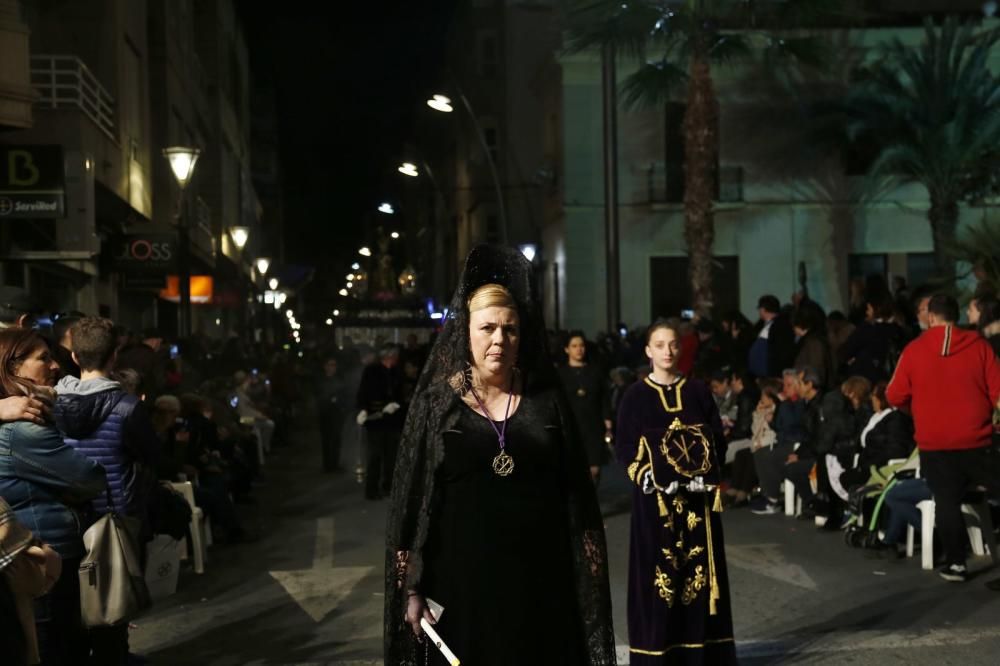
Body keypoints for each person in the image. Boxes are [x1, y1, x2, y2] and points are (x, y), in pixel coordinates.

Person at [384, 245, 615, 665]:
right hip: (461, 585)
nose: (499, 340)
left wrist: (589, 574)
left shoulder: (547, 402)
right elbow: (413, 501)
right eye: (487, 328)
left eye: (509, 329)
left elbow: (576, 496)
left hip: (543, 582)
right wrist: (411, 589)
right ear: (465, 334)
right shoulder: (439, 405)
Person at [616, 319, 735, 664]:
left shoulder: (698, 391)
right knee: (660, 580)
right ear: (648, 350)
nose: (668, 351)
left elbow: (716, 439)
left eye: (673, 345)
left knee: (699, 581)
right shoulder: (635, 396)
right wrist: (646, 475)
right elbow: (624, 447)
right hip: (657, 508)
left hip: (698, 505)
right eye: (660, 344)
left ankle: (705, 657)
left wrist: (709, 469)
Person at [52, 317, 161, 662]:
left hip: (68, 512)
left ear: (74, 356)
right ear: (115, 356)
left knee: (74, 596)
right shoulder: (128, 407)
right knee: (113, 596)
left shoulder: (51, 403)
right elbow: (154, 455)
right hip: (115, 513)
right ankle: (115, 656)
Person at [0, 328, 106, 664]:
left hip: (35, 550)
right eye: (43, 358)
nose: (55, 365)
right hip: (42, 555)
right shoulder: (23, 429)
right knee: (55, 648)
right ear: (14, 368)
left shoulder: (30, 416)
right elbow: (90, 478)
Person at [886, 294, 1000, 583]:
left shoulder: (914, 350)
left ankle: (957, 563)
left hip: (935, 442)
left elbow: (894, 395)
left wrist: (917, 412)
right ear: (956, 315)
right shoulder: (980, 346)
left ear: (931, 317)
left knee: (946, 500)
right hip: (977, 439)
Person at [557, 331, 613, 484]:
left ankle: (591, 504)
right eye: (574, 346)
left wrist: (608, 424)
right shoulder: (560, 373)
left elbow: (604, 399)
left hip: (593, 425)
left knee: (594, 470)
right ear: (567, 349)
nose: (579, 349)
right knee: (572, 469)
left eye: (581, 345)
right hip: (569, 425)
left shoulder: (595, 371)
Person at [356, 344, 404, 500]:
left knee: (391, 456)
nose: (396, 358)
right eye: (394, 355)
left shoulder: (397, 372)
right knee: (375, 456)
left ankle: (388, 486)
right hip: (375, 421)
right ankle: (372, 490)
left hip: (393, 421)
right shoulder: (371, 371)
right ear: (388, 355)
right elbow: (363, 392)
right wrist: (362, 409)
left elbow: (402, 393)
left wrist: (397, 404)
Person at [748, 295, 796, 379]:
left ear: (763, 309)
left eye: (759, 309)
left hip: (771, 375)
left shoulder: (780, 325)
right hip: (761, 374)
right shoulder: (766, 324)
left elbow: (782, 352)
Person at [317, 356, 348, 472]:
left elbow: (344, 394)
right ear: (325, 366)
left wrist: (340, 403)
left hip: (337, 414)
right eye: (330, 365)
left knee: (336, 439)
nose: (332, 367)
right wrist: (329, 399)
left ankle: (334, 463)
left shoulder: (339, 380)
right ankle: (327, 464)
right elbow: (319, 396)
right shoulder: (321, 380)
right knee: (326, 439)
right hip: (325, 413)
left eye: (334, 365)